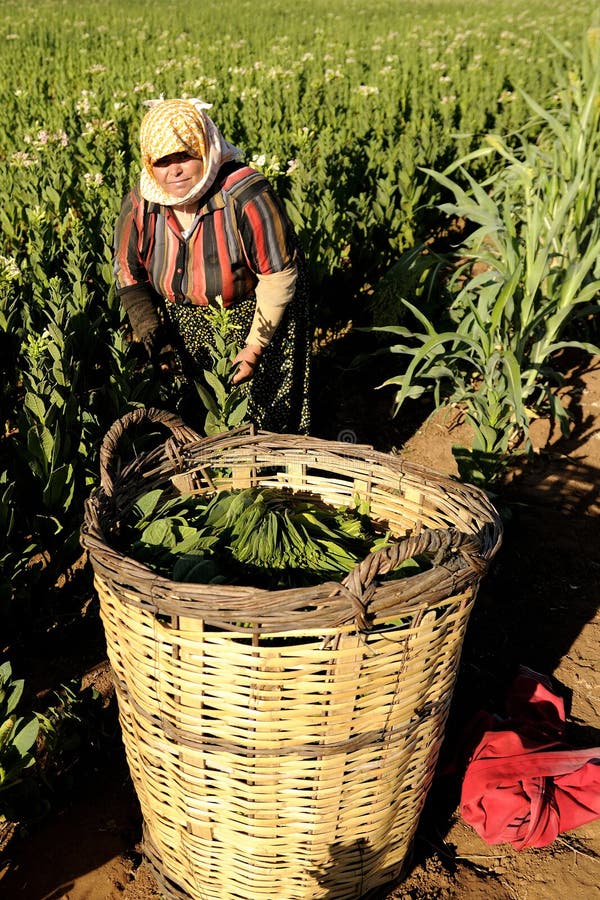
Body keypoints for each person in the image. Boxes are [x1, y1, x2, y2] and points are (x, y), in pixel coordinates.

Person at [113, 97, 311, 433]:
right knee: (204, 406)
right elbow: (129, 273)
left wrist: (253, 349)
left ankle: (270, 475)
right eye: (162, 160)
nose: (173, 169)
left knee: (264, 407)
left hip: (258, 309)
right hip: (188, 318)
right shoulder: (140, 203)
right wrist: (150, 332)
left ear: (205, 151)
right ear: (149, 163)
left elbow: (278, 278)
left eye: (185, 156)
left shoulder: (246, 194)